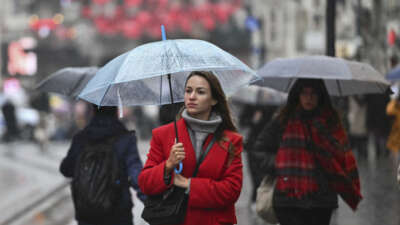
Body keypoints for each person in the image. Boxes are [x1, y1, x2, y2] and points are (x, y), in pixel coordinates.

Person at [138, 71, 243, 225]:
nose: (192, 96)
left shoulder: (231, 140)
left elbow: (231, 190)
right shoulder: (164, 134)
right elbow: (145, 183)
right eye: (188, 91)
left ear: (214, 99)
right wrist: (167, 166)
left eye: (200, 92)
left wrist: (189, 185)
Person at [253, 79, 362, 225]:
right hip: (288, 199)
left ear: (320, 96)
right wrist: (280, 165)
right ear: (297, 95)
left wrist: (323, 137)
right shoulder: (283, 120)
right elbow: (259, 148)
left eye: (313, 94)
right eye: (304, 93)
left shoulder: (330, 122)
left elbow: (342, 156)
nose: (309, 98)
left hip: (320, 200)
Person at [60, 105, 145, 225]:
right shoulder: (126, 138)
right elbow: (136, 175)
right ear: (116, 111)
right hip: (118, 213)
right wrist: (151, 202)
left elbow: (66, 169)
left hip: (87, 213)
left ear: (93, 110)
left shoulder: (80, 138)